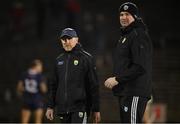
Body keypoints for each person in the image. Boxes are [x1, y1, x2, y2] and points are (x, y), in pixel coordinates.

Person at [104, 2, 153, 123]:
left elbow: (140, 66)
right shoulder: (126, 36)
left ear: (135, 16)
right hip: (126, 91)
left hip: (134, 91)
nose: (123, 17)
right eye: (121, 14)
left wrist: (117, 79)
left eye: (127, 14)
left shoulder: (138, 34)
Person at [45, 28, 101, 123]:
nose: (66, 42)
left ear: (77, 39)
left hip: (80, 108)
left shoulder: (86, 58)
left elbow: (94, 86)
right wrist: (50, 106)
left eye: (69, 38)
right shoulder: (58, 60)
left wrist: (96, 109)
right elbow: (53, 85)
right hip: (63, 109)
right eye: (63, 39)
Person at [17, 59, 47, 123]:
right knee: (38, 121)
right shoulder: (39, 76)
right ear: (35, 66)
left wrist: (24, 91)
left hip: (26, 99)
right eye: (40, 66)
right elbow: (43, 89)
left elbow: (19, 87)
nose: (41, 68)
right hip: (37, 100)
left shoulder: (24, 74)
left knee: (24, 121)